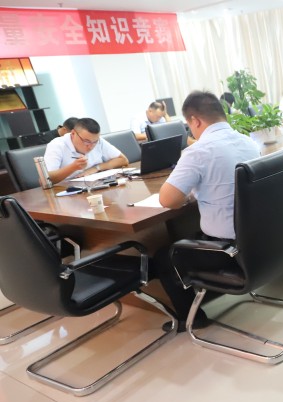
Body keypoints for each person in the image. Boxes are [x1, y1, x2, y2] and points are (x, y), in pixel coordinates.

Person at [154, 90, 259, 331]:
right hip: (260, 240)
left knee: (164, 257)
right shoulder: (248, 141)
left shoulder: (199, 152)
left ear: (195, 121)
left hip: (230, 250)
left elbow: (167, 200)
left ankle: (192, 318)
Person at [43, 117, 129, 184]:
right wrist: (73, 167)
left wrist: (96, 168)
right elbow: (47, 179)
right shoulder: (56, 145)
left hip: (95, 184)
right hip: (67, 190)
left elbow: (123, 160)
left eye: (94, 142)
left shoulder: (98, 141)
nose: (90, 146)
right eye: (86, 141)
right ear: (73, 134)